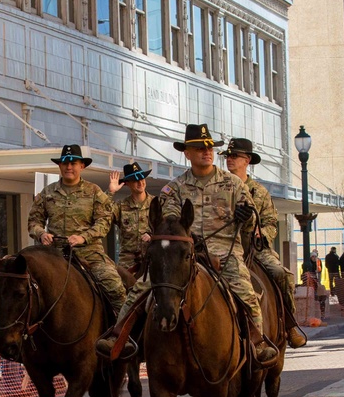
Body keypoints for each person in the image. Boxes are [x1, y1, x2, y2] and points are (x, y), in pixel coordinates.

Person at [96, 124, 278, 366]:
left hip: (225, 253)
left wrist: (247, 218)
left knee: (245, 290)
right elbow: (169, 223)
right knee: (142, 287)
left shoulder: (234, 185)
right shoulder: (175, 188)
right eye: (199, 148)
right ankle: (120, 335)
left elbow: (249, 228)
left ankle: (258, 341)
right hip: (186, 253)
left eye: (209, 147)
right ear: (187, 153)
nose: (207, 151)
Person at [220, 138, 306, 348]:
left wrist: (262, 232)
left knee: (281, 274)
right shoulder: (219, 187)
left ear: (247, 160)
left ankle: (289, 324)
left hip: (254, 249)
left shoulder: (259, 192)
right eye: (228, 156)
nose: (229, 160)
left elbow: (271, 223)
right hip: (223, 247)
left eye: (235, 156)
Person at [27, 144, 127, 314]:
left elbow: (104, 222)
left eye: (73, 163)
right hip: (55, 255)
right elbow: (33, 222)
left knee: (115, 288)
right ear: (60, 165)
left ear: (82, 166)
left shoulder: (93, 191)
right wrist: (41, 233)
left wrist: (84, 237)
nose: (69, 167)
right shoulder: (47, 193)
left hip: (89, 255)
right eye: (65, 162)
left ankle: (122, 336)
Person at [107, 161, 152, 273]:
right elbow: (102, 214)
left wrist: (153, 235)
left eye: (142, 178)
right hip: (127, 262)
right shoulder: (121, 206)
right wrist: (111, 192)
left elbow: (168, 227)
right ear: (127, 183)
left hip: (152, 258)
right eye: (135, 180)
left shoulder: (157, 204)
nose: (140, 182)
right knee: (117, 288)